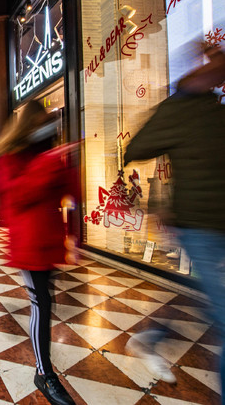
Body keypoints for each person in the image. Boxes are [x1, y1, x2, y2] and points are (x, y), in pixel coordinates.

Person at [124, 45, 225, 391]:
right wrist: (160, 200)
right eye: (212, 64)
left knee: (208, 299)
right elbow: (135, 148)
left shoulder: (215, 109)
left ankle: (153, 336)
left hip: (215, 221)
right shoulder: (180, 107)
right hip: (198, 224)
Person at [0, 100, 77, 405]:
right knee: (40, 303)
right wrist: (49, 162)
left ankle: (44, 369)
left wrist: (74, 235)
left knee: (45, 301)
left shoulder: (47, 154)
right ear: (29, 125)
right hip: (28, 244)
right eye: (42, 122)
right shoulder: (9, 157)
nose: (47, 128)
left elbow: (70, 194)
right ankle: (44, 372)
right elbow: (16, 197)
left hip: (50, 239)